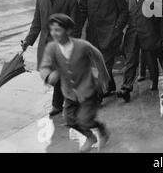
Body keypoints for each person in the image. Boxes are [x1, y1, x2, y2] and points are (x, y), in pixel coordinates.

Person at [39, 14, 110, 153]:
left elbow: (98, 58)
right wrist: (48, 76)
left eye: (58, 30)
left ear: (68, 31)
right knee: (69, 119)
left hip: (87, 89)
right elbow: (44, 66)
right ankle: (91, 137)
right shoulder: (52, 48)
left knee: (84, 120)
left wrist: (104, 79)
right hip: (69, 92)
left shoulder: (82, 46)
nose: (54, 33)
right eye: (52, 29)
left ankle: (100, 129)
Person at [21, 0, 81, 117]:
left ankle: (58, 104)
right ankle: (68, 98)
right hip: (45, 46)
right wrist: (27, 41)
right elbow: (36, 24)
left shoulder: (70, 0)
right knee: (50, 76)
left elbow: (75, 26)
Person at [78, 0, 128, 99]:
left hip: (110, 35)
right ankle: (110, 85)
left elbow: (124, 12)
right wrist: (77, 31)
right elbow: (82, 12)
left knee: (103, 65)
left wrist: (117, 28)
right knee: (97, 63)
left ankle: (98, 95)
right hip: (93, 35)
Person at [118, 0, 161, 102]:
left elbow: (159, 11)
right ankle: (126, 87)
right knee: (131, 59)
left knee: (150, 57)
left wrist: (148, 0)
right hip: (132, 30)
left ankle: (154, 80)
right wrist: (121, 27)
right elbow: (127, 10)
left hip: (147, 29)